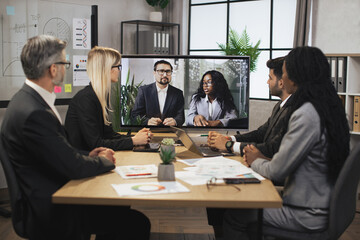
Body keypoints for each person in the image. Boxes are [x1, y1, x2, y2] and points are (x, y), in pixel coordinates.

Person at [0, 35, 150, 240]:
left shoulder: (25, 101)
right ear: (53, 69)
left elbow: (57, 152)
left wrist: (88, 153)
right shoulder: (35, 112)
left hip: (50, 194)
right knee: (136, 223)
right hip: (51, 209)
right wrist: (103, 161)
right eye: (65, 63)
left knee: (121, 208)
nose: (66, 67)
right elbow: (72, 166)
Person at [222, 46, 350, 240]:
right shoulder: (331, 108)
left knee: (235, 214)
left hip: (305, 214)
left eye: (286, 72)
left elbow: (276, 171)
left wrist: (255, 158)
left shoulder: (306, 114)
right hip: (320, 204)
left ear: (296, 77)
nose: (283, 78)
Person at [65, 46, 152, 151]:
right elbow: (96, 144)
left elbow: (109, 135)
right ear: (107, 68)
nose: (119, 71)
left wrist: (136, 138)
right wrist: (133, 141)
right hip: (84, 162)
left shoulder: (99, 96)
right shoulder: (86, 99)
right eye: (118, 67)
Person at [207, 57, 292, 158]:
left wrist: (229, 145)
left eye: (270, 78)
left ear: (281, 82)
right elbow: (260, 134)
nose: (267, 82)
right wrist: (229, 139)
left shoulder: (291, 111)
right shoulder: (279, 106)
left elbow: (272, 148)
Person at [131, 60, 185, 126]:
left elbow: (181, 117)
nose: (165, 75)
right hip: (148, 132)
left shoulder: (178, 93)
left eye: (168, 72)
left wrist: (175, 121)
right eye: (161, 71)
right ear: (154, 73)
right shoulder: (144, 91)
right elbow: (135, 115)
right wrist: (147, 121)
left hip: (170, 132)